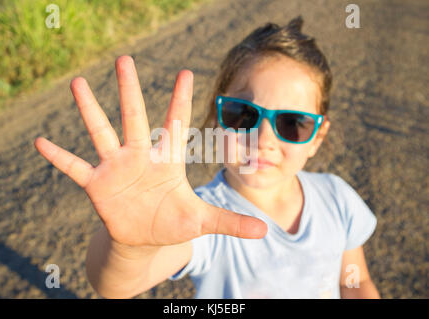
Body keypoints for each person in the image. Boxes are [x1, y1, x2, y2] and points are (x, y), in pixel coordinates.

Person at [34, 16, 380, 299]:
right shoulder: (200, 218)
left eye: (293, 123)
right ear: (217, 118)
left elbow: (354, 281)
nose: (263, 139)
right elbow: (116, 286)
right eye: (243, 114)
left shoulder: (336, 197)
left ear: (317, 138)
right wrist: (129, 246)